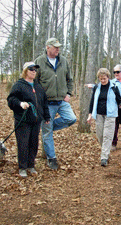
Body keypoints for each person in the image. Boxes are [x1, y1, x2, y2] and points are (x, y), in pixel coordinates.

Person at [35, 37, 77, 170]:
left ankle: (47, 128)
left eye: (59, 47)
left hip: (62, 101)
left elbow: (69, 79)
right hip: (47, 103)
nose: (58, 49)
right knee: (47, 133)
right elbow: (35, 82)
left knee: (71, 119)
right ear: (48, 47)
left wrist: (69, 93)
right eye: (55, 47)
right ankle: (51, 158)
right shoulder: (39, 61)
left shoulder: (63, 61)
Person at [7, 62, 50, 178]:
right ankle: (22, 167)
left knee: (34, 144)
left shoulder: (38, 86)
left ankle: (31, 165)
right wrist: (20, 103)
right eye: (31, 69)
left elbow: (44, 102)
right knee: (23, 144)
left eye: (35, 69)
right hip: (23, 120)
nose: (33, 71)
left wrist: (46, 116)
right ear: (25, 71)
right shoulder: (19, 85)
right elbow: (11, 99)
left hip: (36, 121)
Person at [87, 68, 121, 166]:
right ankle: (106, 151)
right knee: (100, 136)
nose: (103, 80)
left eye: (104, 78)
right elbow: (92, 101)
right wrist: (90, 114)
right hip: (99, 114)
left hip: (110, 115)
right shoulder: (96, 88)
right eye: (101, 79)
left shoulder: (113, 87)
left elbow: (119, 99)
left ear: (108, 77)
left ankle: (104, 157)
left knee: (107, 136)